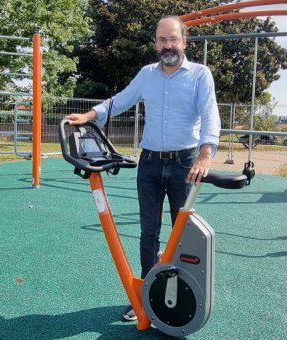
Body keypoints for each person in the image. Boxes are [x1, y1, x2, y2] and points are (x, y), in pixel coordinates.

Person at [64, 15, 221, 321]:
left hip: (184, 163)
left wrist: (205, 155)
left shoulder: (200, 75)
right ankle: (145, 295)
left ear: (184, 42)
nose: (168, 45)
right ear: (155, 44)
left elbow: (210, 114)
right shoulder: (147, 74)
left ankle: (175, 298)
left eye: (173, 39)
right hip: (149, 163)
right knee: (148, 232)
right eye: (162, 40)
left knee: (181, 232)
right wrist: (88, 116)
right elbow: (119, 101)